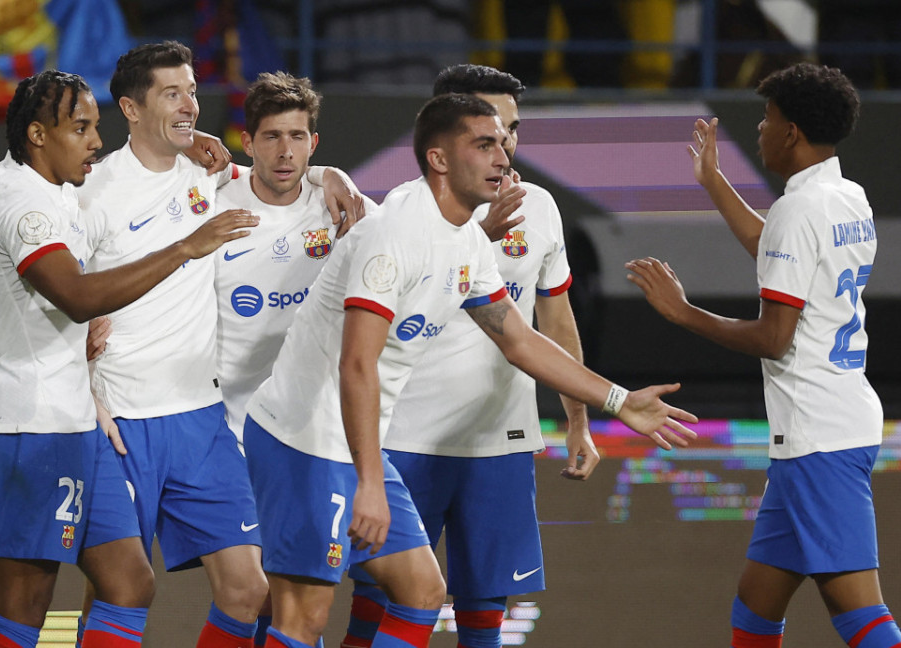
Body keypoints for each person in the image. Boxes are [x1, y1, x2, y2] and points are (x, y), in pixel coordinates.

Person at [243, 92, 697, 648]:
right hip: (302, 441)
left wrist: (619, 402)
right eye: (484, 145)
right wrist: (368, 482)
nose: (503, 158)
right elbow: (356, 364)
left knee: (421, 596)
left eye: (503, 143)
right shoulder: (395, 235)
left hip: (348, 444)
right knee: (304, 619)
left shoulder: (465, 239)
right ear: (439, 159)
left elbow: (519, 339)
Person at [75, 42, 365, 648]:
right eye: (171, 93)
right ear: (129, 108)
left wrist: (326, 172)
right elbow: (55, 295)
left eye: (192, 92)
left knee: (248, 590)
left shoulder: (209, 177)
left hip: (200, 420)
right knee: (117, 590)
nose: (189, 105)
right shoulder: (93, 192)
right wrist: (84, 384)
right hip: (121, 416)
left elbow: (277, 175)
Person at [624, 62, 901, 648]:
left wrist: (683, 314)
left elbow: (774, 337)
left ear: (792, 133)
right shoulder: (844, 196)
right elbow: (771, 242)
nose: (759, 129)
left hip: (818, 436)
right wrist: (712, 181)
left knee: (859, 613)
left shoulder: (799, 209)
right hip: (835, 421)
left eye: (767, 118)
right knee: (756, 606)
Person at [0, 69, 252, 648]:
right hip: (28, 424)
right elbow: (75, 296)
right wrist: (186, 247)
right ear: (39, 135)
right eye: (81, 128)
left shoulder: (57, 187)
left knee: (127, 583)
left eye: (96, 125)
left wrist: (184, 140)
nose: (96, 141)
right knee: (25, 602)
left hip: (70, 421)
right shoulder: (23, 206)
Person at [340, 64, 594, 648]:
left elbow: (552, 319)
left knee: (485, 610)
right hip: (408, 435)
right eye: (487, 129)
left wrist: (578, 419)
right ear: (445, 141)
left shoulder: (542, 208)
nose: (504, 141)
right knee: (381, 600)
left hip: (498, 441)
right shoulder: (402, 217)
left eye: (512, 127)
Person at [209, 69, 377, 646]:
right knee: (250, 594)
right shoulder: (210, 206)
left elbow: (415, 246)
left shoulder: (346, 210)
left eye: (299, 137)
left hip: (306, 435)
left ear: (315, 144)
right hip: (225, 433)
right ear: (247, 142)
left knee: (296, 606)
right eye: (273, 137)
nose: (286, 152)